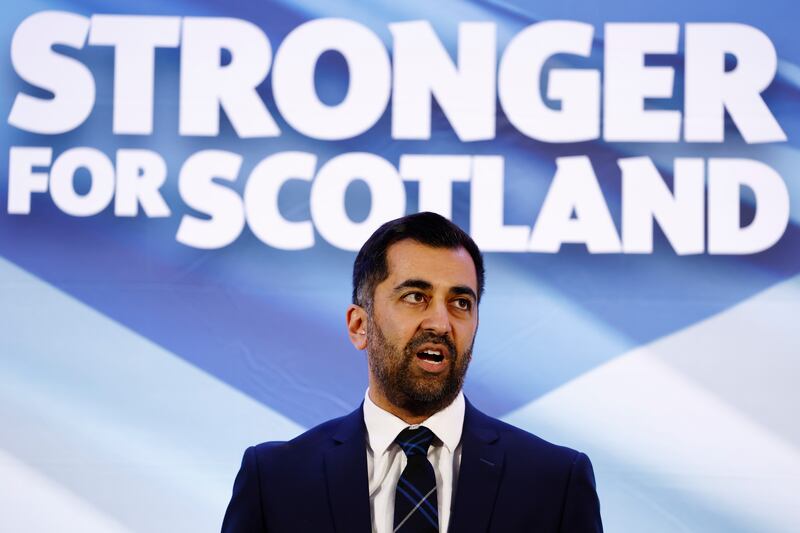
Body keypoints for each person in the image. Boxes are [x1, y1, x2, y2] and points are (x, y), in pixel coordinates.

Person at [221, 212, 603, 532]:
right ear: (359, 326)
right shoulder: (275, 480)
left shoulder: (555, 481)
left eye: (460, 302)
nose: (440, 322)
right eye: (415, 297)